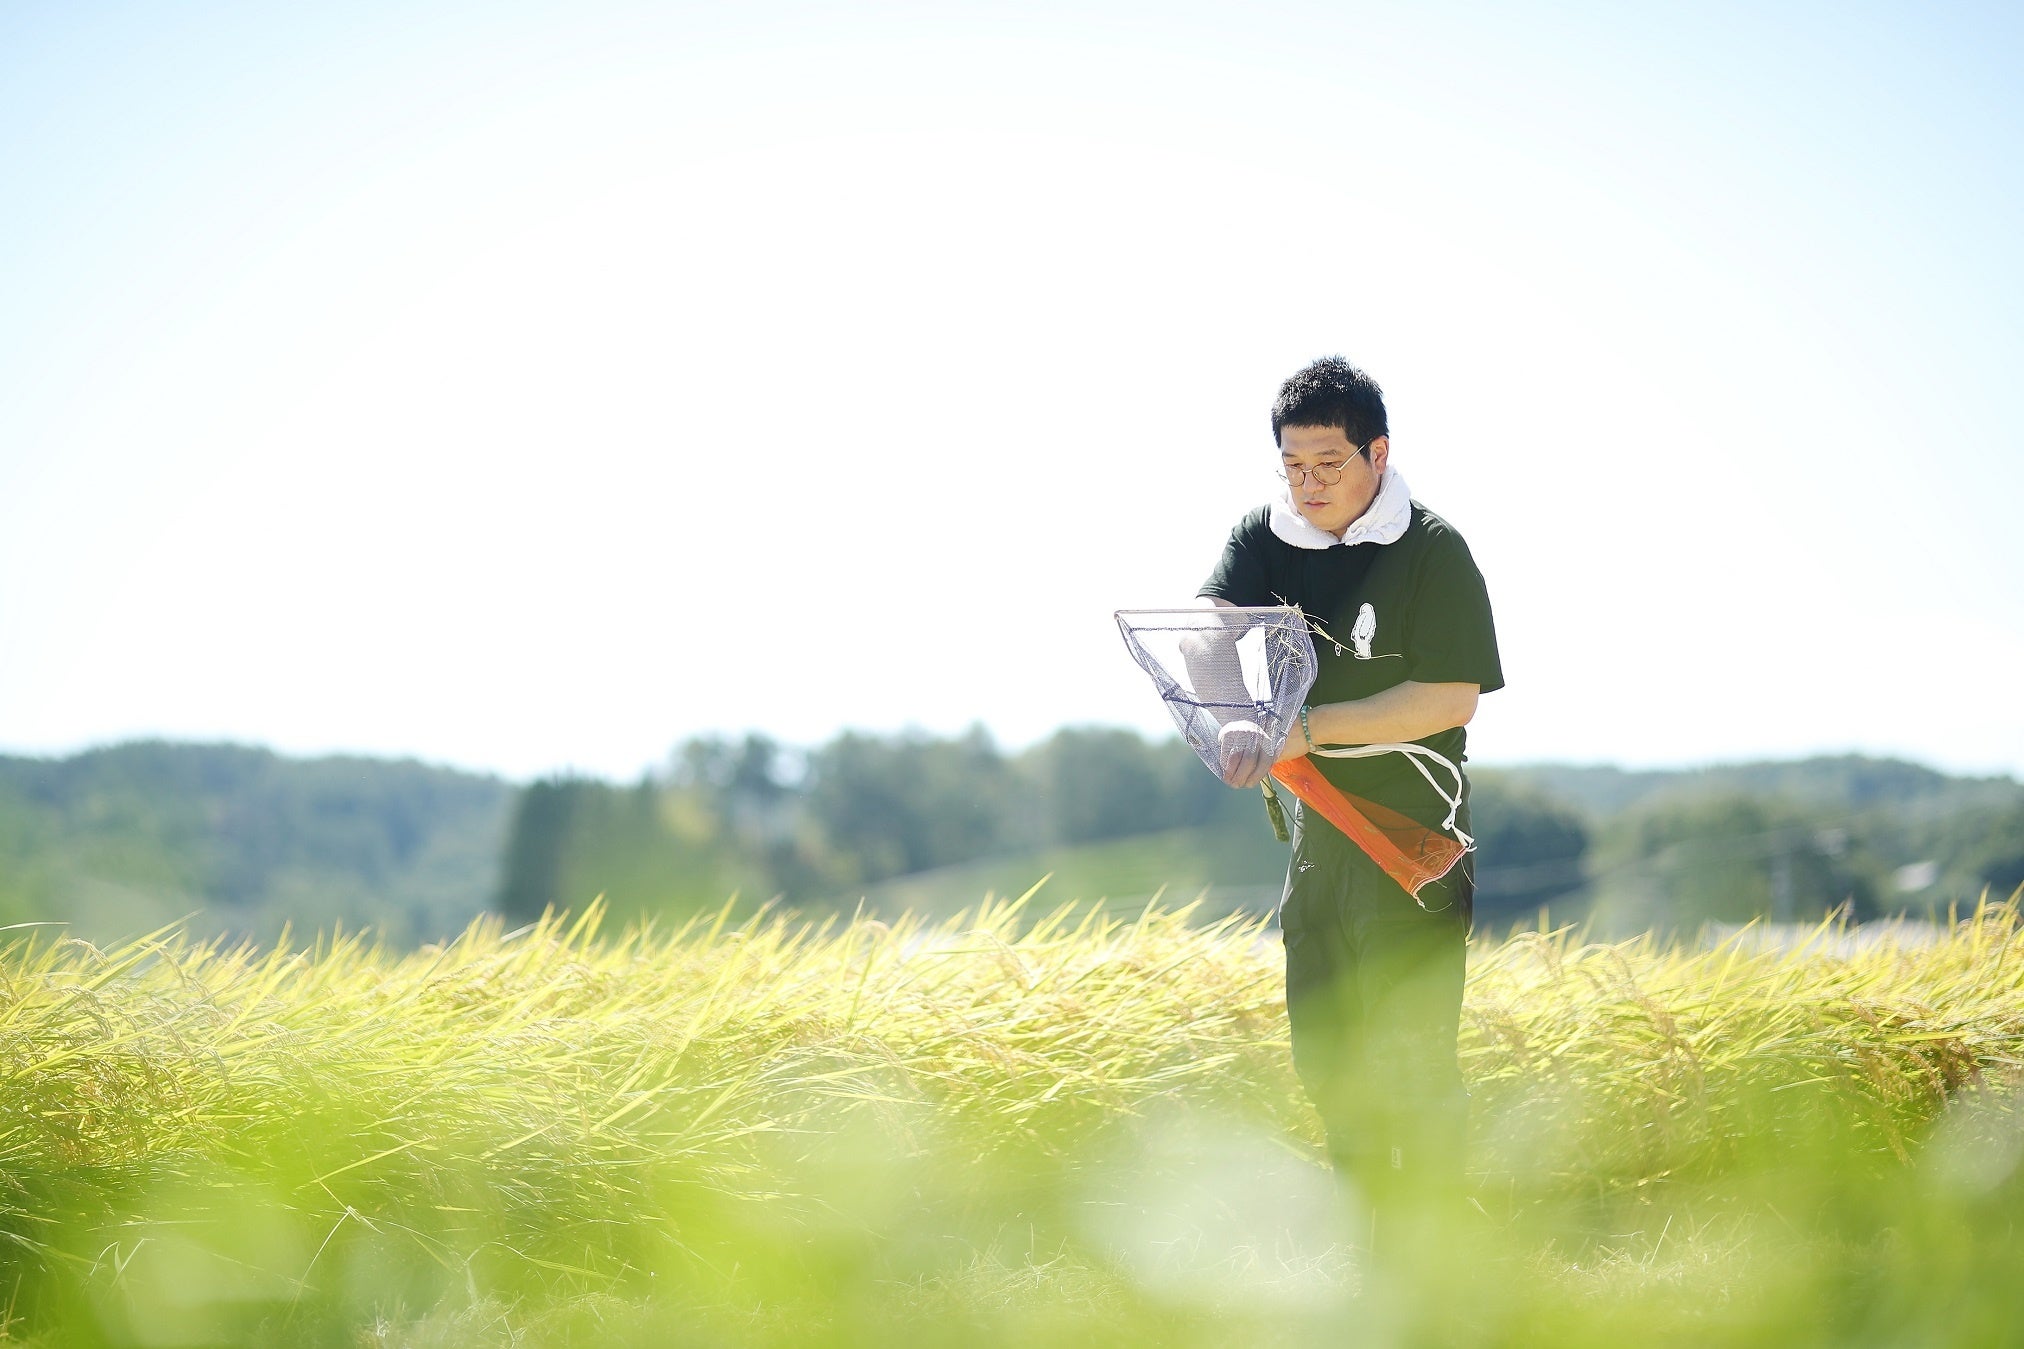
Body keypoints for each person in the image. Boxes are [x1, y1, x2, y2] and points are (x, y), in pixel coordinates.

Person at [1196, 356, 1503, 1259]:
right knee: (1327, 1063)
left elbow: (1452, 695)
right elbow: (1212, 625)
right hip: (1314, 844)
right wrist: (1229, 720)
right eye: (1293, 466)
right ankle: (1367, 1254)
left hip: (1413, 846)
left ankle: (1440, 1261)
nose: (1310, 484)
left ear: (1379, 451)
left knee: (1413, 1067)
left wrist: (1308, 725)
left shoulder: (1434, 550)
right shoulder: (1267, 533)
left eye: (1329, 463)